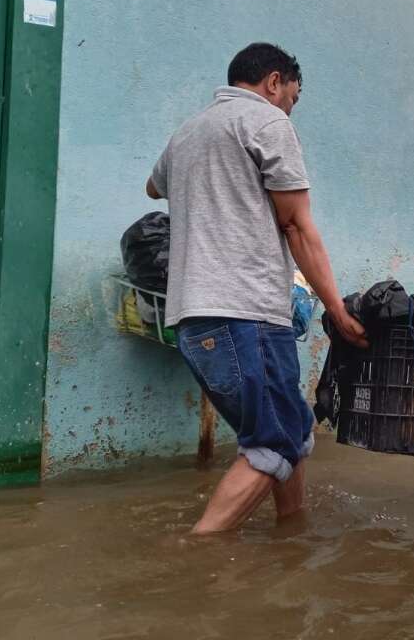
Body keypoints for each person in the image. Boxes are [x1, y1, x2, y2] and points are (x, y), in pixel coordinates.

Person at [147, 43, 367, 534]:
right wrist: (336, 309)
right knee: (274, 442)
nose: (291, 108)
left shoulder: (187, 133)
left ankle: (292, 531)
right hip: (246, 314)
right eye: (293, 96)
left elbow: (152, 187)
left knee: (295, 431)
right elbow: (297, 228)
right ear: (273, 82)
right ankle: (193, 556)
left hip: (195, 320)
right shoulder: (268, 123)